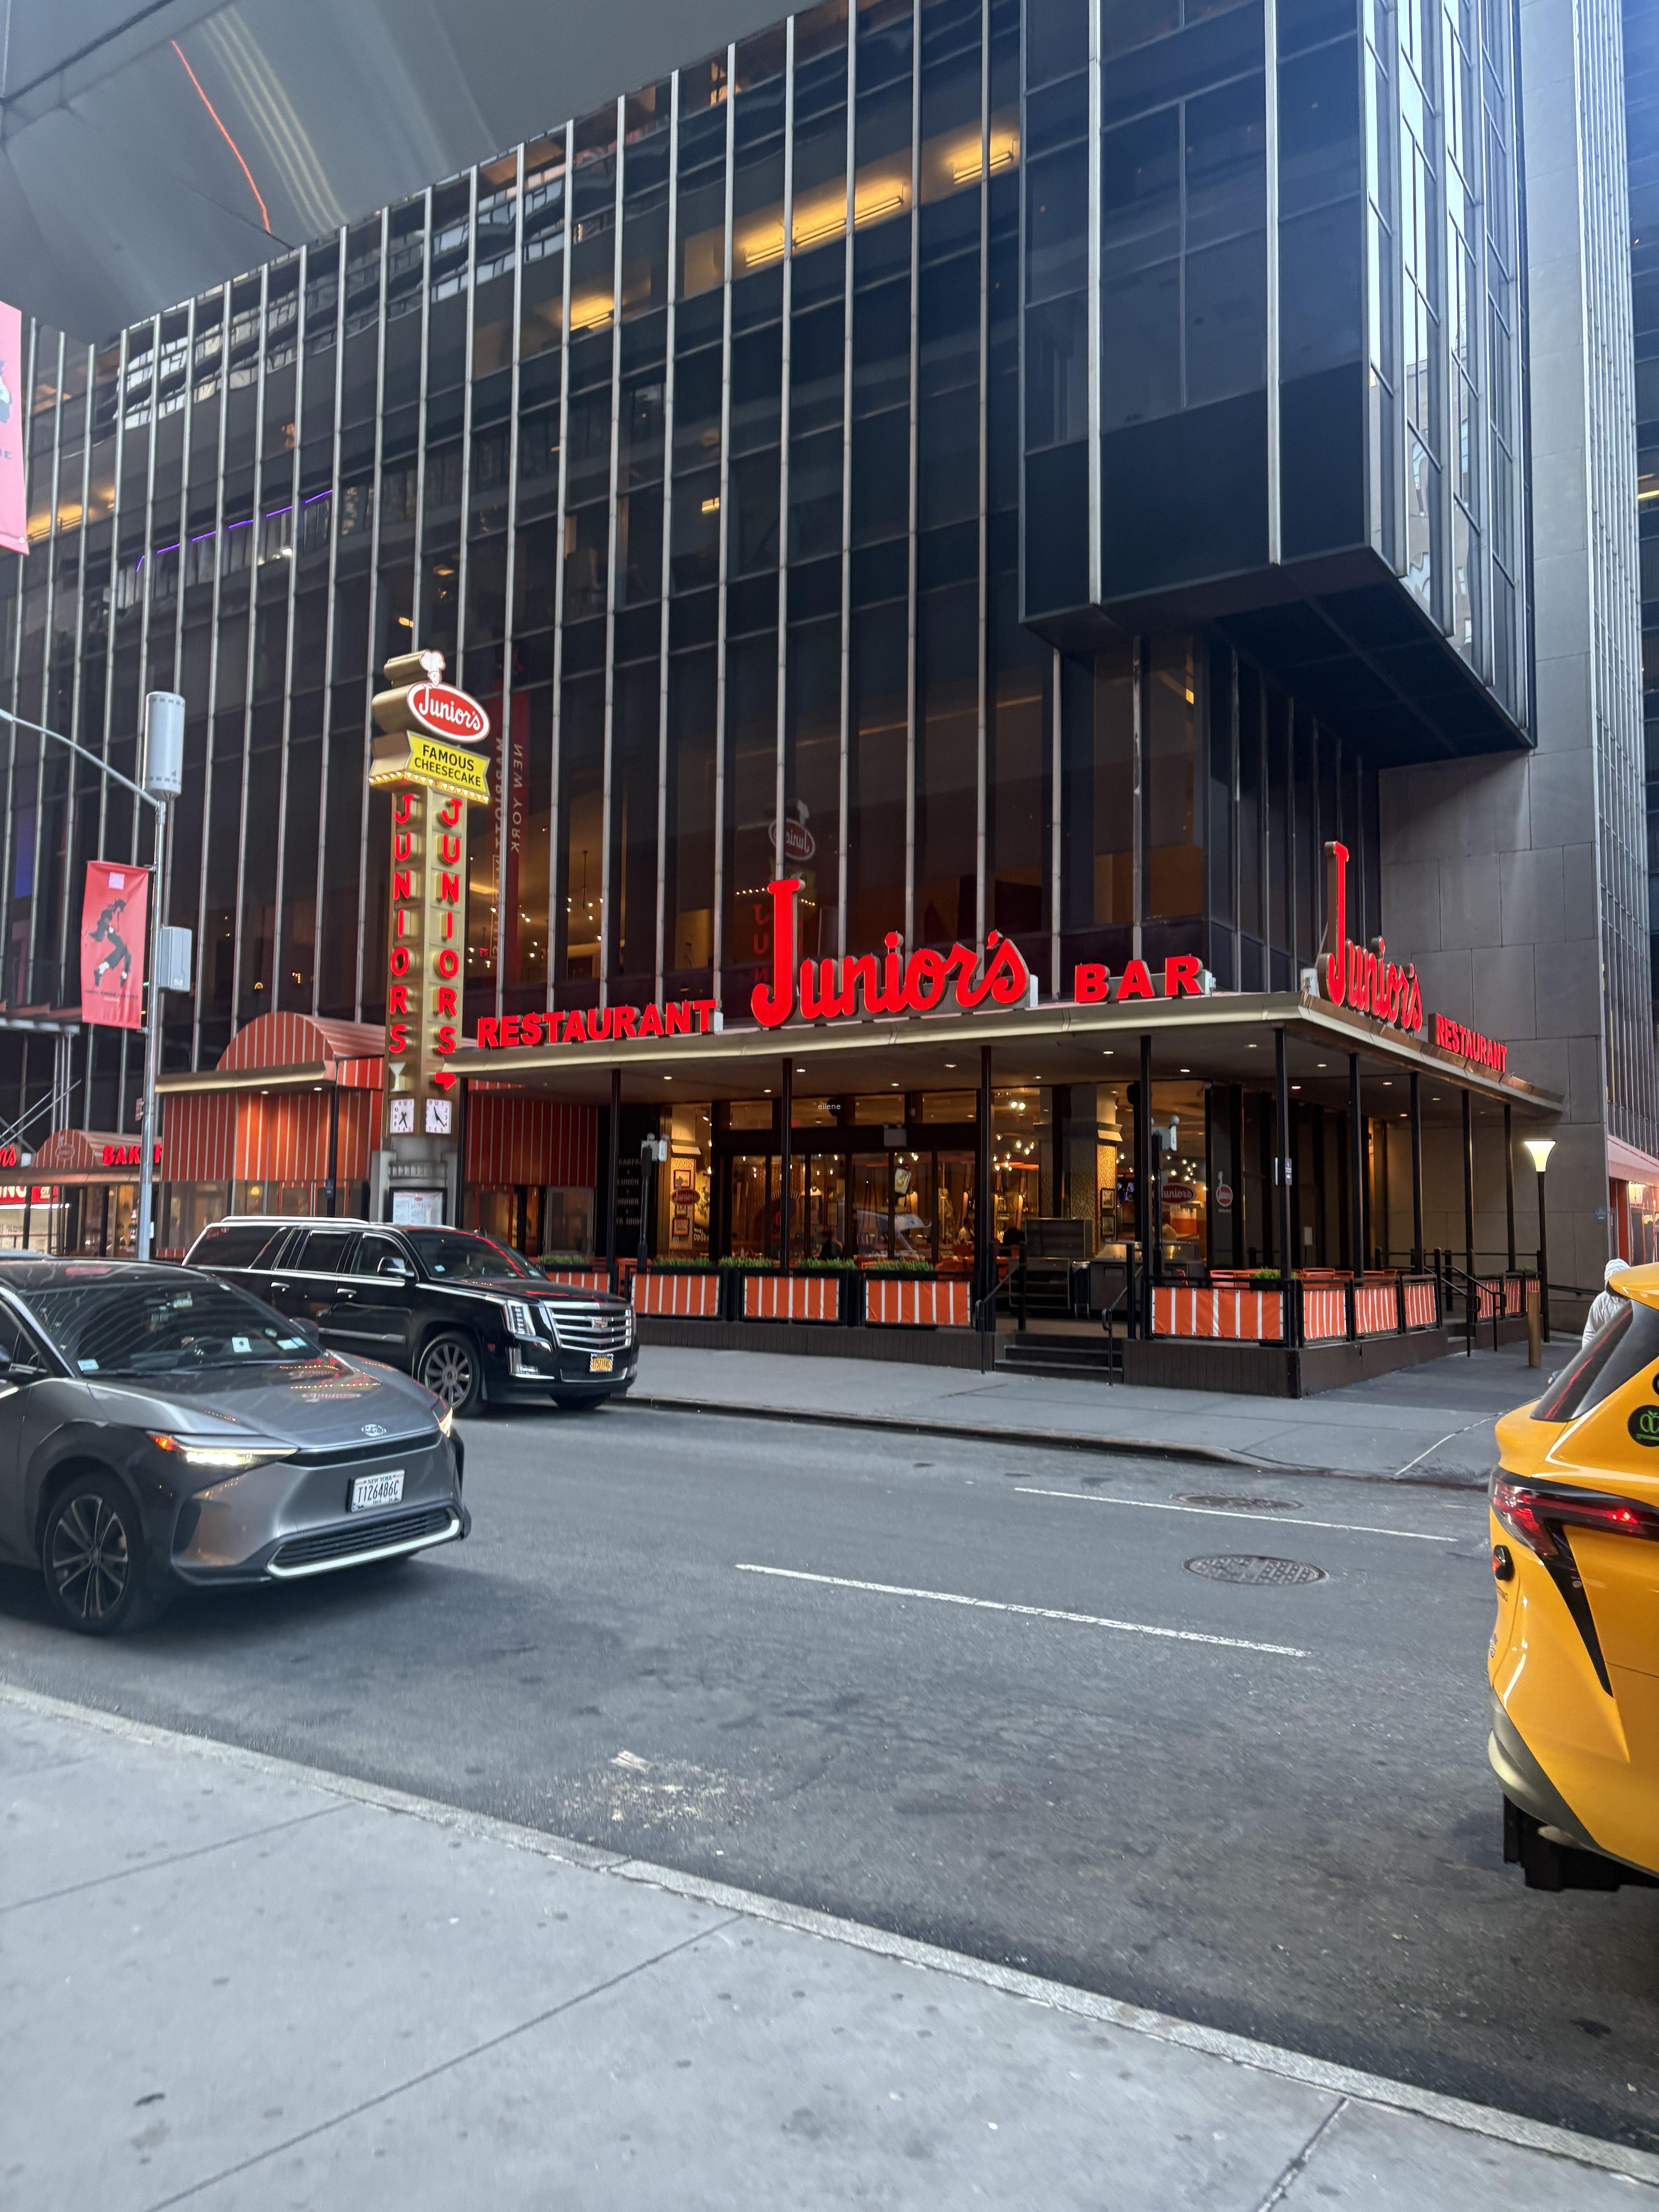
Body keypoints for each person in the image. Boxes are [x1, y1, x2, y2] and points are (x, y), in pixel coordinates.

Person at [1582, 1256, 1630, 1347]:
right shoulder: (1602, 1301)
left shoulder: (1638, 1297)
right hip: (1613, 1349)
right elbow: (1591, 1333)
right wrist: (1590, 1354)